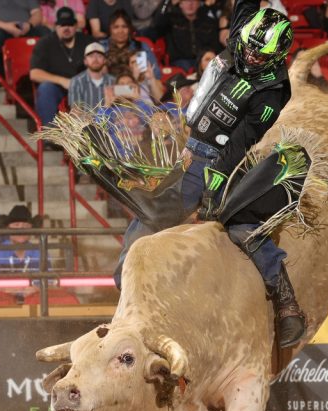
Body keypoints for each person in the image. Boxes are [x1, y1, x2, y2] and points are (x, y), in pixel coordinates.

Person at [118, 0, 304, 347]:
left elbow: (237, 146)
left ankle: (285, 301)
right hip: (185, 145)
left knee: (238, 223)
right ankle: (127, 292)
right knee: (145, 214)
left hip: (219, 157)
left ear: (277, 57)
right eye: (247, 49)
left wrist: (211, 193)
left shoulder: (270, 94)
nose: (249, 58)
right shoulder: (243, 35)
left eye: (259, 56)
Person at [29, 7, 95, 125]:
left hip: (84, 86)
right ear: (56, 26)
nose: (66, 28)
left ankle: (92, 135)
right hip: (57, 87)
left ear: (76, 26)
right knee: (45, 88)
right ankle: (50, 137)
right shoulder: (45, 43)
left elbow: (102, 65)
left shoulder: (88, 42)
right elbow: (34, 74)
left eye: (70, 24)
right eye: (62, 24)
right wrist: (62, 80)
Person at [0, 0, 50, 88]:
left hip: (25, 27)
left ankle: (47, 73)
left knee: (45, 32)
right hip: (0, 27)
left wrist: (29, 25)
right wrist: (6, 26)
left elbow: (37, 12)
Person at [154, 0, 221, 71]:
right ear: (180, 4)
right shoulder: (171, 21)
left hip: (203, 61)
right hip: (179, 63)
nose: (190, 4)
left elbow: (215, 45)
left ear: (199, 3)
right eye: (185, 1)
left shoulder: (209, 22)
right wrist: (168, 2)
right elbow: (158, 22)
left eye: (193, 1)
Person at [103, 11, 161, 81]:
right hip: (109, 88)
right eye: (116, 27)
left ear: (129, 29)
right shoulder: (101, 47)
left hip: (137, 87)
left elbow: (156, 74)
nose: (120, 31)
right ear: (110, 29)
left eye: (124, 27)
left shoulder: (141, 47)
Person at [0, 204, 44, 271]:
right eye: (16, 225)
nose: (21, 229)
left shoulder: (40, 253)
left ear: (32, 228)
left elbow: (49, 280)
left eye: (26, 225)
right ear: (8, 228)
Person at [68, 42, 116, 108]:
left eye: (99, 56)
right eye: (91, 56)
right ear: (85, 61)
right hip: (84, 118)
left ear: (105, 60)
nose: (95, 59)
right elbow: (76, 111)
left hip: (109, 118)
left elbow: (122, 107)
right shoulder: (76, 81)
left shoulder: (113, 81)